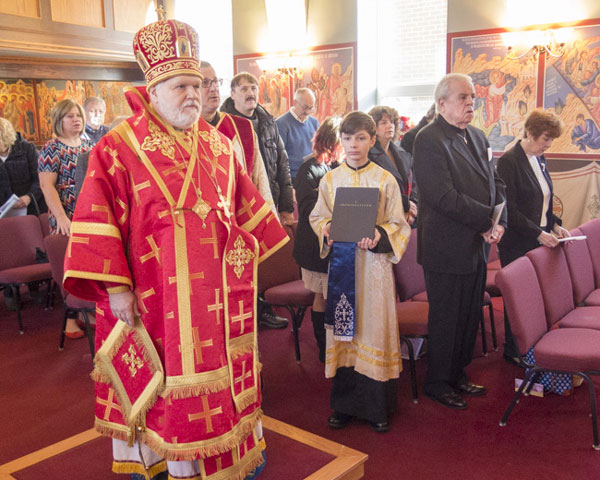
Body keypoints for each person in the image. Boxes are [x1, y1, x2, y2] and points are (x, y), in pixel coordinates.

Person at [63, 19, 288, 480]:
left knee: (218, 384)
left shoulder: (219, 145)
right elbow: (96, 223)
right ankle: (172, 463)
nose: (193, 94)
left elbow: (246, 210)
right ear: (155, 87)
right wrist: (117, 289)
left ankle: (221, 459)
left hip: (219, 299)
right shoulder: (116, 149)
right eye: (182, 85)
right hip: (155, 299)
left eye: (199, 85)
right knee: (162, 392)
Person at [310, 111, 410, 433]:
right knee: (344, 333)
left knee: (373, 331)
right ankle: (343, 405)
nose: (354, 145)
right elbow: (317, 217)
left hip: (374, 270)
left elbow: (400, 224)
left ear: (372, 139)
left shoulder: (385, 180)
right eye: (348, 138)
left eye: (361, 138)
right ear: (341, 141)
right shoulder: (329, 180)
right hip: (342, 269)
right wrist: (327, 228)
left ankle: (376, 407)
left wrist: (381, 234)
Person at [413, 73, 507, 410]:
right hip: (446, 247)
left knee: (469, 315)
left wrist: (500, 222)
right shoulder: (428, 139)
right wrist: (485, 220)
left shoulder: (479, 137)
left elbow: (497, 183)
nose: (471, 103)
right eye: (463, 98)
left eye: (472, 98)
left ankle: (458, 373)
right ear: (441, 104)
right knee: (447, 317)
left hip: (476, 244)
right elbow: (441, 196)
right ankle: (438, 381)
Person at [496, 109, 569, 366]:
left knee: (536, 296)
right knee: (517, 297)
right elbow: (510, 209)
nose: (548, 144)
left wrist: (555, 225)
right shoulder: (508, 162)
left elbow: (544, 199)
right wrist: (539, 233)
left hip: (538, 237)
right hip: (517, 240)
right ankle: (513, 349)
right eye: (545, 138)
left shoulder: (540, 158)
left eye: (551, 140)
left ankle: (532, 345)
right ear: (529, 133)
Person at [221, 72, 294, 329]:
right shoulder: (225, 124)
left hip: (267, 194)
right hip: (238, 205)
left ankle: (262, 307)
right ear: (232, 93)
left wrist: (285, 205)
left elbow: (282, 163)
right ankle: (249, 310)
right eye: (244, 89)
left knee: (263, 258)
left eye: (254, 88)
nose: (251, 93)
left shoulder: (266, 120)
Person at [38, 98, 92, 338]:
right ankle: (70, 318)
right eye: (70, 116)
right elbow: (47, 186)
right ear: (59, 120)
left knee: (88, 265)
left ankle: (85, 309)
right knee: (67, 268)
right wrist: (61, 218)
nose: (76, 119)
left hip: (88, 214)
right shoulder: (52, 148)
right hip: (65, 215)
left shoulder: (88, 143)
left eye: (78, 115)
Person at [292, 116, 343, 362]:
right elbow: (307, 207)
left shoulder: (337, 167)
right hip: (315, 244)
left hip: (338, 242)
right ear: (332, 142)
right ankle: (324, 349)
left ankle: (339, 345)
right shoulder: (309, 168)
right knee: (322, 295)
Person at [198, 61, 274, 212]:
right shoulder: (183, 131)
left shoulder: (242, 128)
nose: (214, 88)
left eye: (215, 82)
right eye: (205, 83)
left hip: (240, 216)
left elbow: (260, 181)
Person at [368, 106, 417, 225]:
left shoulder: (403, 153)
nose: (390, 126)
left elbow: (415, 183)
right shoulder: (369, 156)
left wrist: (413, 206)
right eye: (383, 123)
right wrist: (405, 205)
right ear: (373, 127)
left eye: (392, 122)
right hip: (384, 218)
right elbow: (378, 190)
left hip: (409, 217)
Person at [0, 117, 45, 216]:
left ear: (5, 138)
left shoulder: (27, 149)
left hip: (32, 209)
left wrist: (29, 197)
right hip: (4, 215)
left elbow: (41, 178)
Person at [276, 88, 319, 180]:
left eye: (310, 108)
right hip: (293, 178)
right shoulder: (281, 124)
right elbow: (279, 158)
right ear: (294, 102)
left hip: (312, 175)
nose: (307, 112)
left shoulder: (314, 123)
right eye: (305, 107)